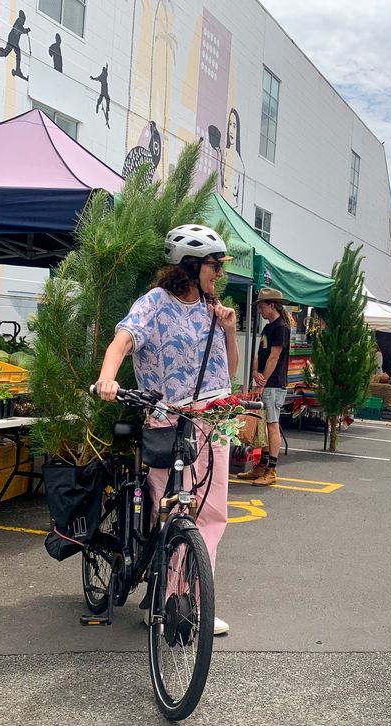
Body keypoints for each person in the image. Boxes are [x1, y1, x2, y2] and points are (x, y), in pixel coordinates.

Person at [95, 224, 238, 636]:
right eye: (214, 265)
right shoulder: (154, 303)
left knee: (212, 514)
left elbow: (228, 370)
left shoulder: (213, 306)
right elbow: (122, 341)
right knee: (176, 510)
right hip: (168, 420)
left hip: (215, 418)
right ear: (191, 266)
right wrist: (108, 378)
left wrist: (228, 329)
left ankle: (193, 602)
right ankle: (166, 600)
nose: (219, 273)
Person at [237, 288, 293, 487]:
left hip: (275, 384)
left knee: (272, 424)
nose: (259, 309)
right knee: (265, 425)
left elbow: (274, 357)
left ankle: (271, 469)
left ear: (272, 305)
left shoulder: (281, 328)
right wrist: (255, 373)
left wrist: (261, 382)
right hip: (267, 383)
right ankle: (262, 465)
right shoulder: (269, 327)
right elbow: (260, 355)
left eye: (261, 305)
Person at [0, 10, 30, 80]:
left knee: (6, 53)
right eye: (23, 20)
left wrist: (26, 30)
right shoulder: (18, 23)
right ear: (21, 19)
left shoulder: (19, 24)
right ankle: (18, 70)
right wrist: (26, 30)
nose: (24, 22)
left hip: (13, 39)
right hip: (13, 39)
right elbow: (21, 30)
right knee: (18, 53)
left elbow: (21, 30)